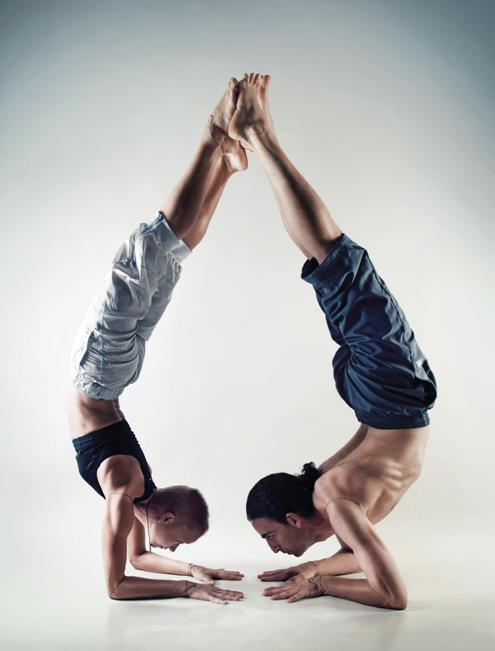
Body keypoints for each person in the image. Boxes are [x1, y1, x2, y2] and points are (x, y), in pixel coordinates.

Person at [232, 73, 438, 610]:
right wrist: (315, 566)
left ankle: (260, 136)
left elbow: (391, 595)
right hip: (378, 400)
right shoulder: (331, 500)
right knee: (330, 267)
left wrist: (320, 582)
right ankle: (258, 136)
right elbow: (361, 556)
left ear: (294, 518)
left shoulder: (335, 501)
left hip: (388, 397)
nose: (272, 548)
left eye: (270, 536)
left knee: (336, 262)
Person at [67, 78, 247, 605]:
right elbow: (119, 586)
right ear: (163, 516)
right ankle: (214, 141)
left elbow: (137, 561)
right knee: (157, 251)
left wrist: (196, 570)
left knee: (162, 256)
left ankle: (224, 163)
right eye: (181, 541)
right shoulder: (126, 490)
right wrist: (190, 587)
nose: (175, 547)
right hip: (104, 374)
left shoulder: (134, 493)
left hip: (108, 374)